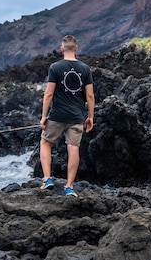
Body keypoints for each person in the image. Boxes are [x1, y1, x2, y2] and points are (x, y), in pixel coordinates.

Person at [39, 35, 95, 197]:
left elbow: (49, 94)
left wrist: (44, 115)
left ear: (62, 49)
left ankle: (47, 179)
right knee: (73, 148)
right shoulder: (85, 69)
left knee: (45, 142)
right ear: (76, 48)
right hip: (77, 116)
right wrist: (90, 116)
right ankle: (69, 187)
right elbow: (90, 96)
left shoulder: (55, 68)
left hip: (57, 115)